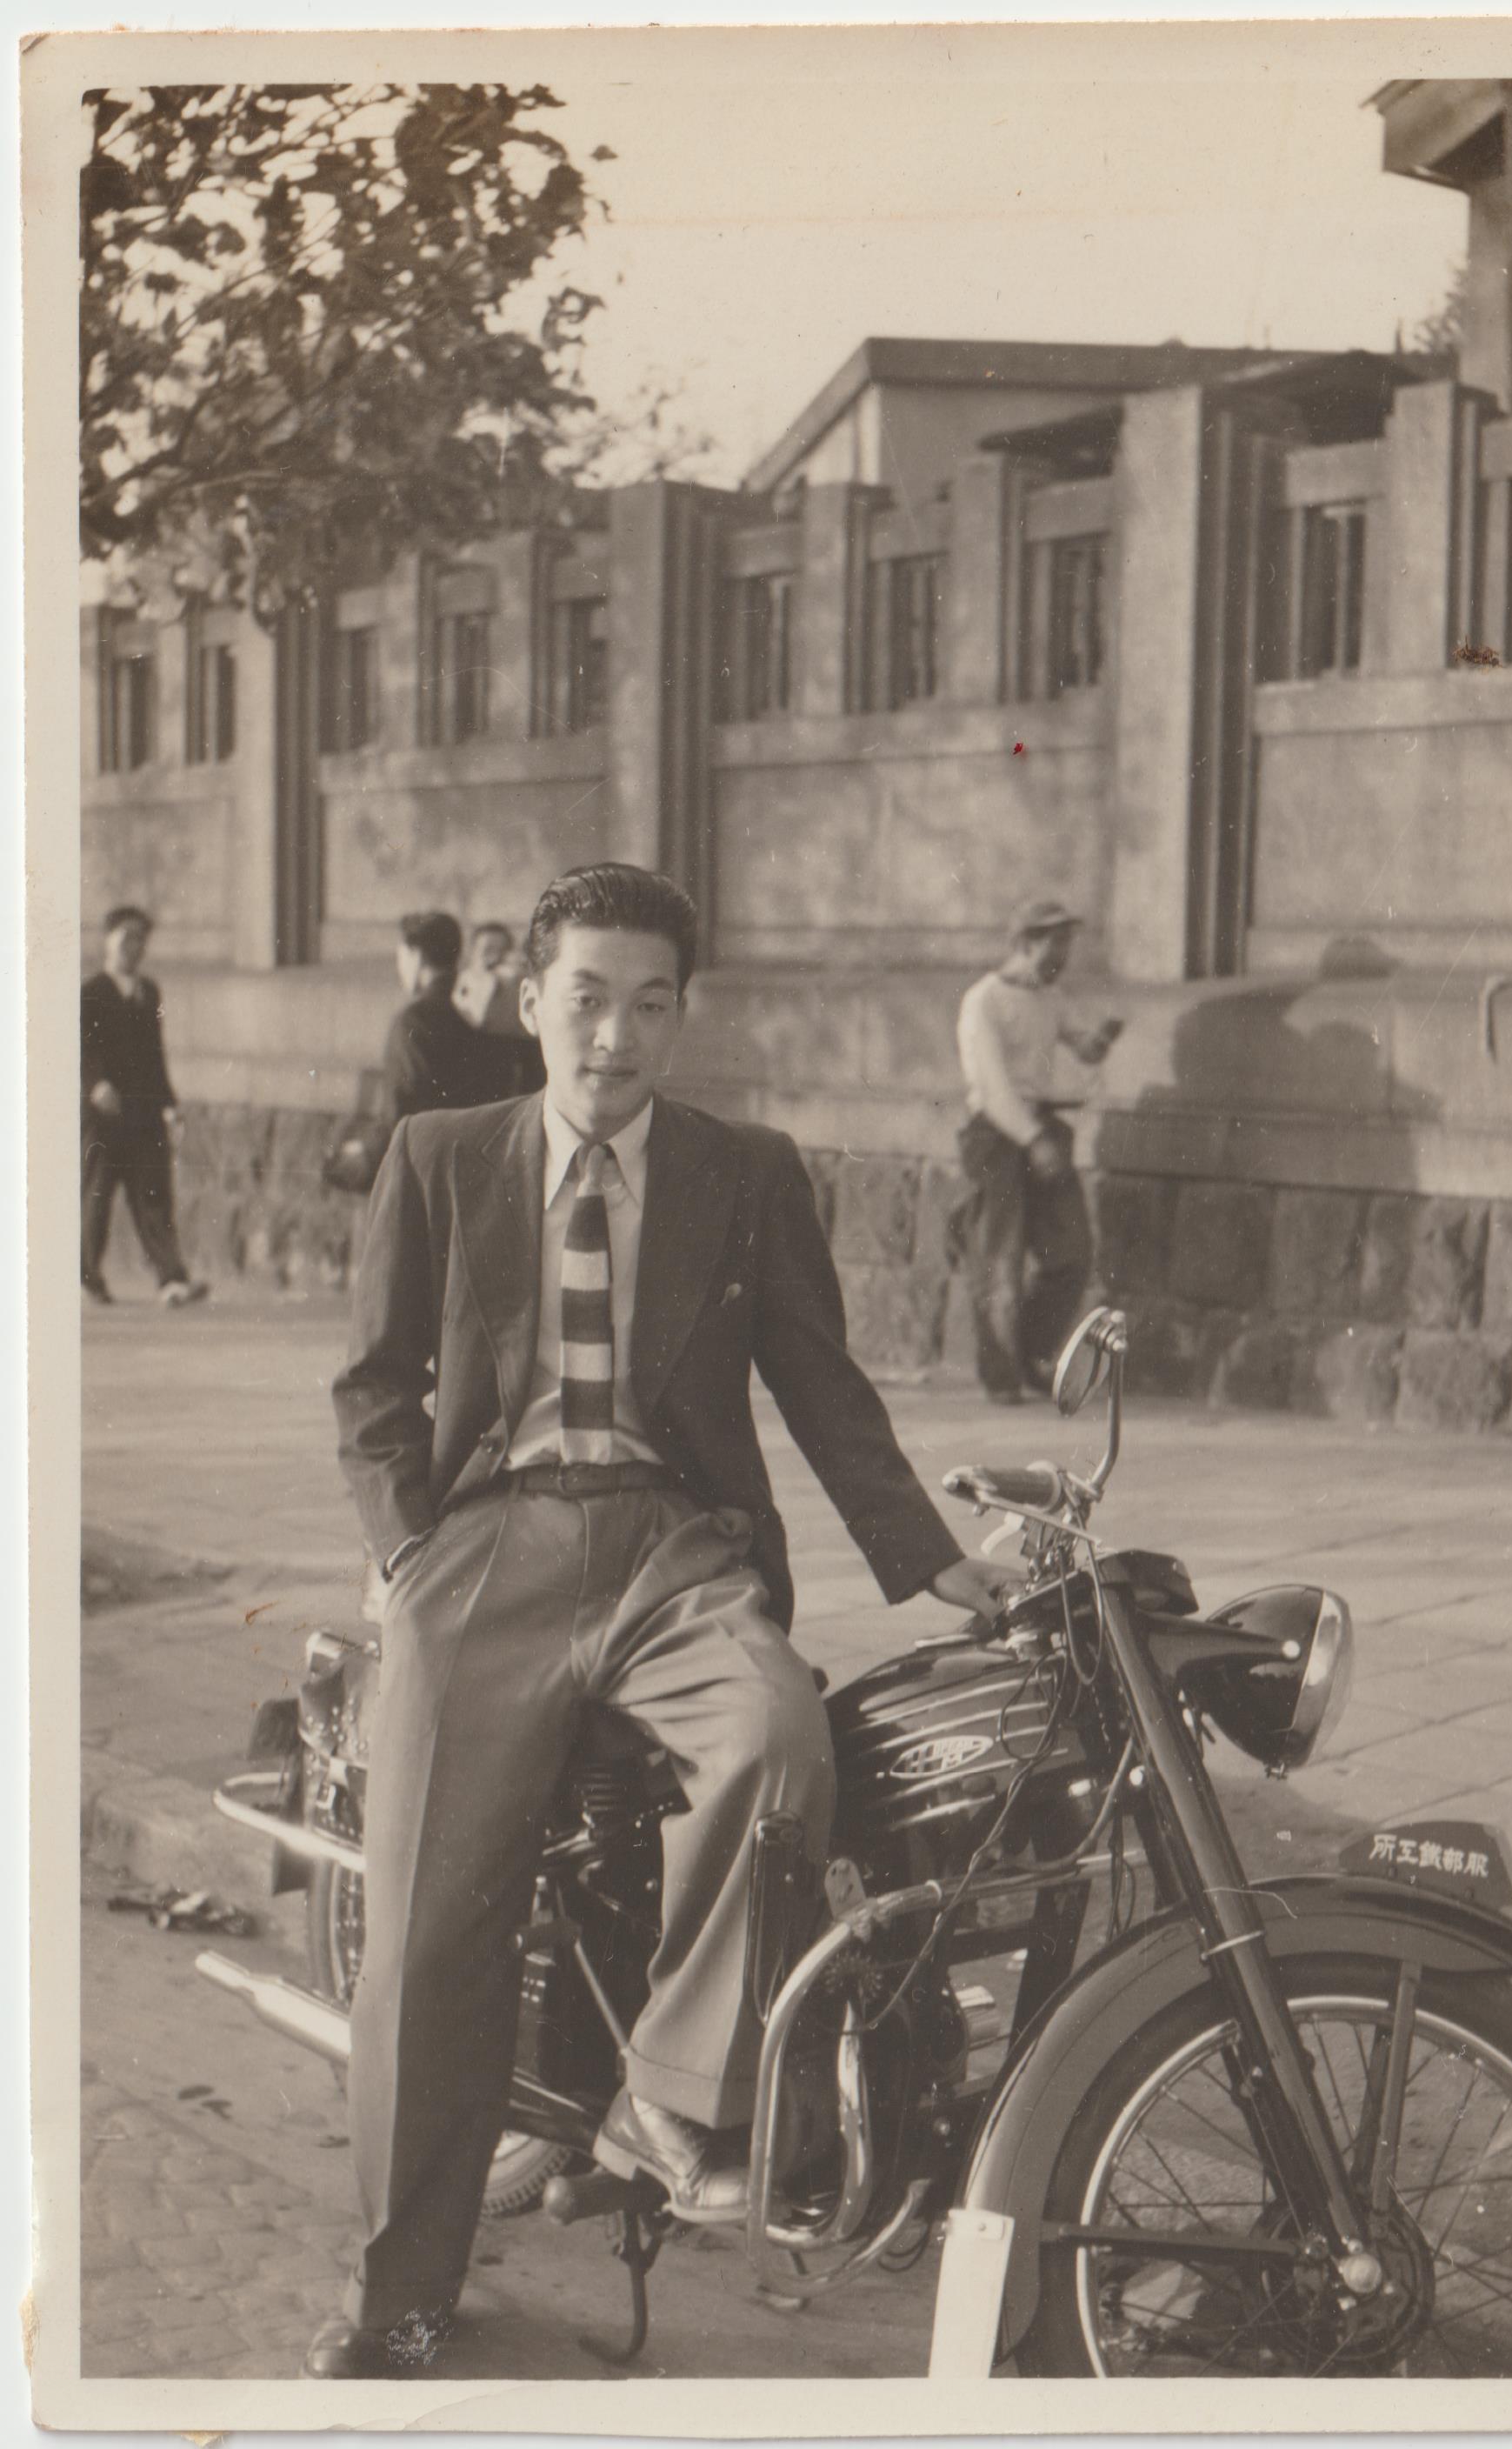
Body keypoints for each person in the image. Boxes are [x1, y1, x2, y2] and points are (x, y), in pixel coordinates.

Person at [312, 861, 1021, 2379]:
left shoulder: (743, 1171)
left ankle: (672, 2102)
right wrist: (405, 1552)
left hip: (676, 1547)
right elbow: (371, 1387)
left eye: (649, 1006)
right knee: (427, 1930)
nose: (614, 1037)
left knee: (777, 1735)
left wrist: (929, 1558)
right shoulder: (441, 1156)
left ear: (680, 1019)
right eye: (585, 999)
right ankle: (404, 2299)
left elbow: (820, 1381)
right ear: (530, 1003)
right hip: (485, 1543)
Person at [954, 898, 1123, 1405]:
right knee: (999, 1260)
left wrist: (1102, 1039)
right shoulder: (983, 1001)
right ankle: (1001, 1375)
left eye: (1067, 944)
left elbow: (1081, 1045)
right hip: (996, 1134)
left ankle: (1030, 1354)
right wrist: (1032, 1140)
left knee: (1071, 1254)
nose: (1062, 956)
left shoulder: (1050, 997)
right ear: (1024, 943)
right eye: (1054, 944)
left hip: (1043, 1128)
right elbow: (993, 1087)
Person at [81, 904, 208, 1309]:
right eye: (126, 937)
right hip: (103, 1116)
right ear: (108, 940)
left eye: (140, 939)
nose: (133, 946)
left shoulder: (149, 992)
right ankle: (86, 1277)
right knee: (96, 1198)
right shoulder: (91, 992)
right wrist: (95, 1084)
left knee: (154, 1196)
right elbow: (81, 1048)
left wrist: (170, 1106)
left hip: (144, 1114)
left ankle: (172, 1280)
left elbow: (155, 1056)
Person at [382, 910, 510, 1120]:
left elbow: (399, 1115)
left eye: (402, 956)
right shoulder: (488, 1010)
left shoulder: (412, 1022)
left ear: (416, 956)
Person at [451, 918, 545, 1097]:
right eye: (487, 950)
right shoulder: (461, 984)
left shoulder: (515, 981)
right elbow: (479, 1015)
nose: (494, 958)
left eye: (502, 952)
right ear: (472, 954)